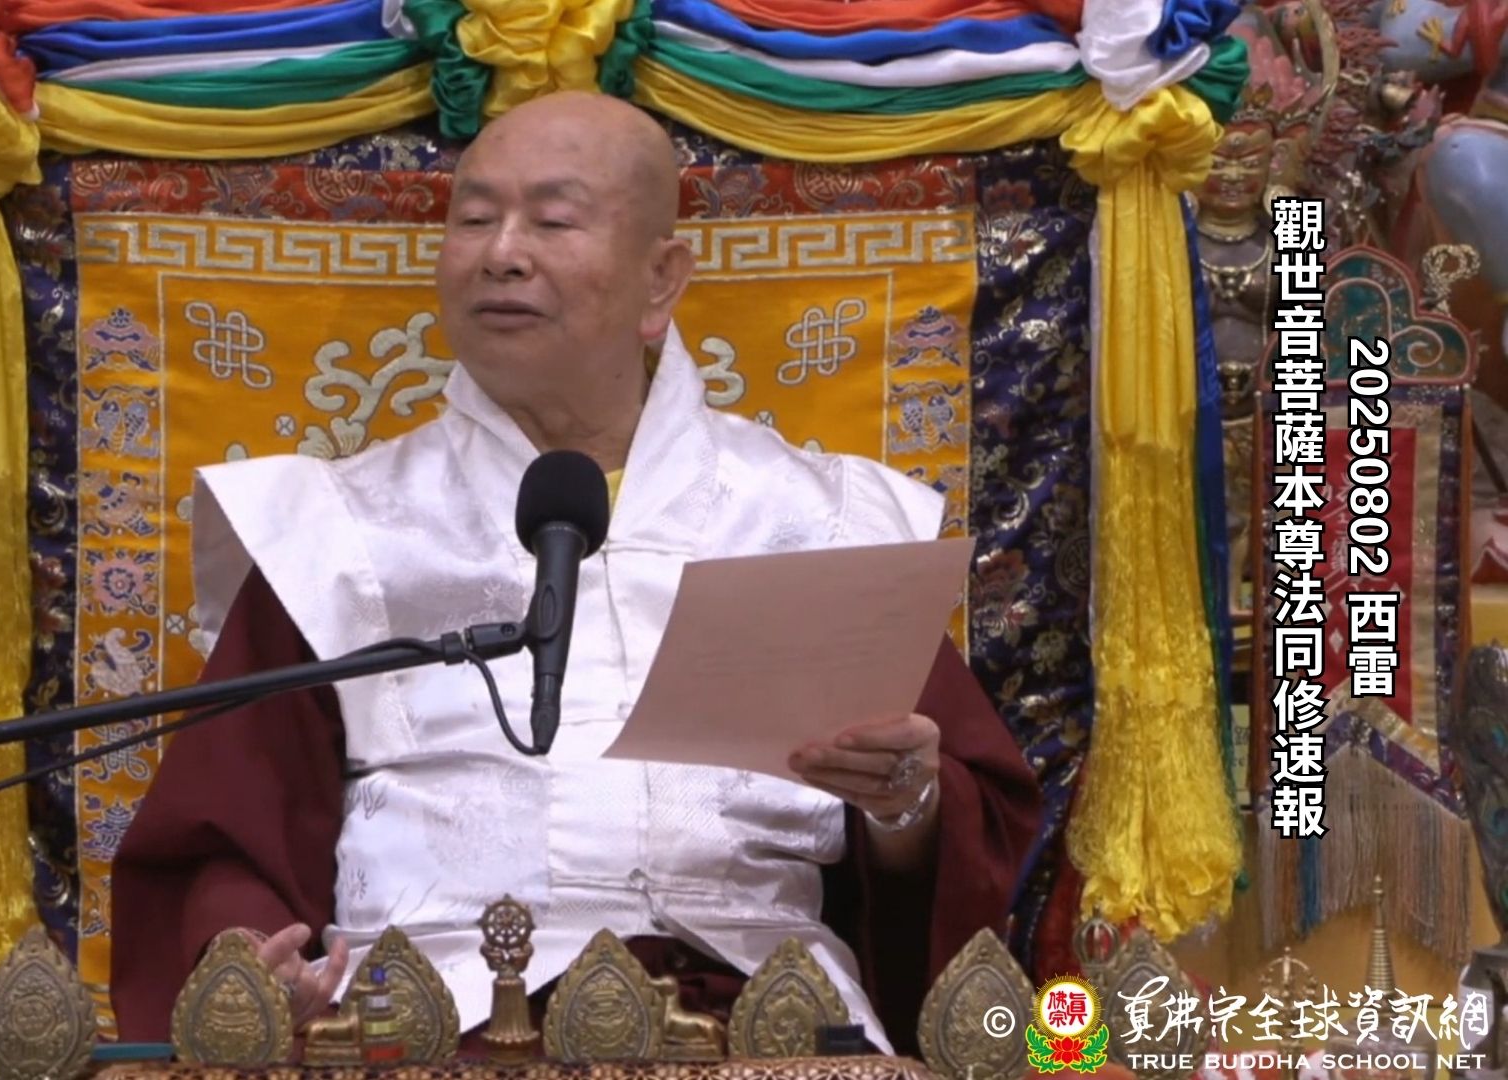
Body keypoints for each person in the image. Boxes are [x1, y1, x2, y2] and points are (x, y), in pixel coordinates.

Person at [110, 90, 1041, 1057]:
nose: (501, 254)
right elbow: (228, 831)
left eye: (553, 222)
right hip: (431, 1018)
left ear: (660, 280)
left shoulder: (822, 520)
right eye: (474, 219)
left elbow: (957, 829)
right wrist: (250, 964)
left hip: (760, 1011)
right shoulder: (335, 529)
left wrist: (905, 805)